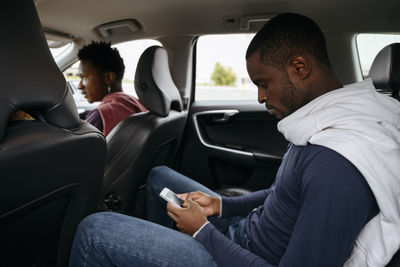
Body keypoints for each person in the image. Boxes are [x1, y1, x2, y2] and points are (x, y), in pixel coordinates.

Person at [69, 13, 400, 266]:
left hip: (241, 256)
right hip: (242, 234)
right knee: (159, 179)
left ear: (299, 68)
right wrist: (222, 205)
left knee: (94, 231)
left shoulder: (338, 162)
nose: (259, 97)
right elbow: (282, 194)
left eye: (263, 83)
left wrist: (203, 233)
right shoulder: (323, 122)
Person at [77, 41, 147, 136]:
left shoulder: (101, 115)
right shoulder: (135, 103)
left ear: (108, 77)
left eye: (84, 77)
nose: (79, 86)